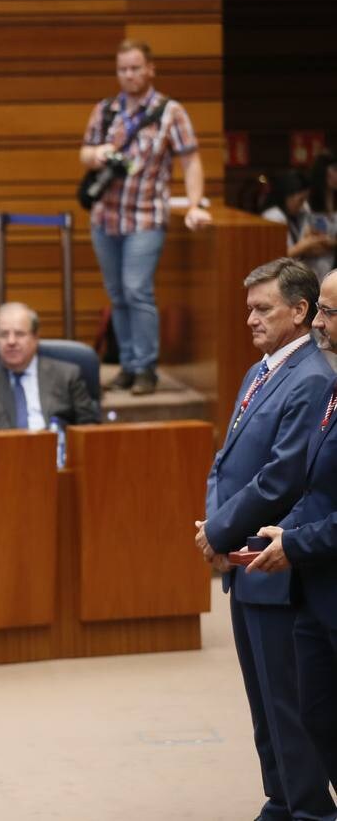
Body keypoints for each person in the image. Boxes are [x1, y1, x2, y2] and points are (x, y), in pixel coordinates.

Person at [190, 259, 335, 820]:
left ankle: (309, 811)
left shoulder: (313, 378)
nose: (249, 319)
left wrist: (221, 533)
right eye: (247, 308)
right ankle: (280, 799)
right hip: (240, 557)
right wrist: (215, 528)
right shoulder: (260, 372)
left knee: (290, 703)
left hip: (275, 562)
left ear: (300, 312)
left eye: (262, 308)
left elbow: (282, 477)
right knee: (262, 701)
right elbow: (224, 464)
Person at [246, 267, 337, 790]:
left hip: (323, 569)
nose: (319, 323)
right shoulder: (334, 383)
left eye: (328, 312)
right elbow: (315, 483)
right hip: (315, 585)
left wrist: (295, 541)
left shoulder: (317, 377)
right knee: (318, 716)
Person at [79, 39, 211, 396]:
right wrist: (98, 154)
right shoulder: (105, 110)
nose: (129, 75)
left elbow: (191, 160)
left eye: (136, 68)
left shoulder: (171, 112)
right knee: (117, 294)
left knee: (137, 290)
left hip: (146, 217)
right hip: (105, 218)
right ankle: (129, 364)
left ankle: (147, 369)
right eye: (123, 69)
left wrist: (196, 203)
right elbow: (85, 152)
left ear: (150, 69)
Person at [0, 302, 100, 431]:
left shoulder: (67, 375)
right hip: (3, 454)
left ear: (35, 337)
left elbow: (90, 428)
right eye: (3, 334)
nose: (11, 341)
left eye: (19, 334)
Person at [262, 168, 332, 281]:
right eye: (300, 199)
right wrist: (304, 245)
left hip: (300, 274)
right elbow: (274, 257)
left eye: (305, 199)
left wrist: (315, 241)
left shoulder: (302, 210)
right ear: (287, 196)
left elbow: (310, 236)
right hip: (280, 277)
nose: (303, 203)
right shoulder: (273, 216)